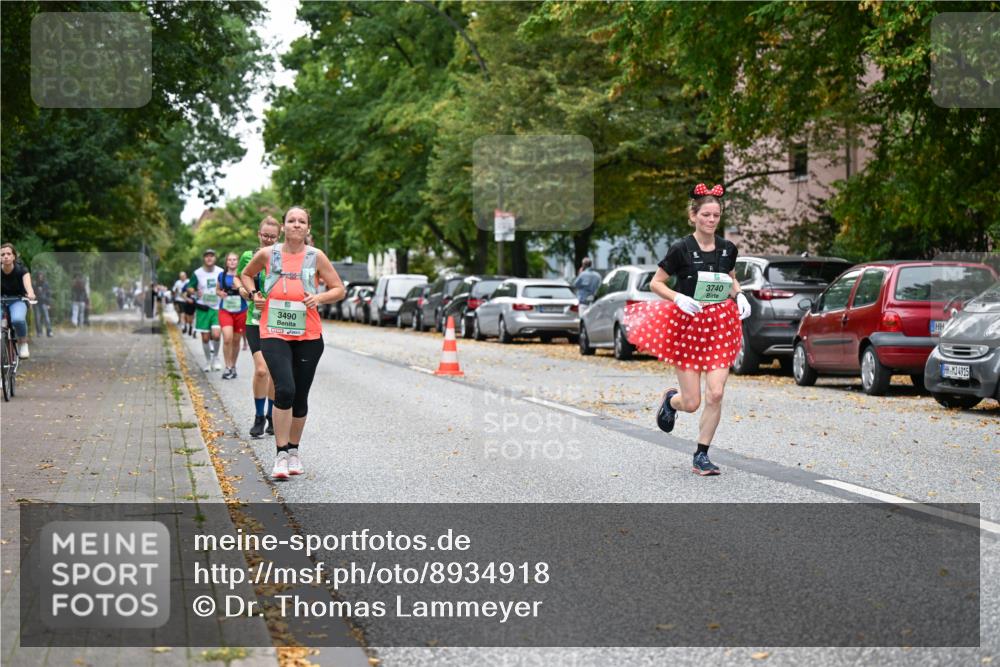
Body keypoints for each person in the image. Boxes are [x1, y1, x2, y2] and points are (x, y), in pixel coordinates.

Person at [623, 183, 751, 476]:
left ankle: (701, 455)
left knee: (716, 393)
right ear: (693, 216)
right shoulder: (681, 249)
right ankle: (671, 400)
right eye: (706, 215)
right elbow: (656, 283)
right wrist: (678, 297)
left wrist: (739, 294)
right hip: (688, 326)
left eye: (716, 215)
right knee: (692, 402)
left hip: (720, 324)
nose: (711, 220)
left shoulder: (728, 248)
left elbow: (730, 278)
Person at [240, 206, 345, 479]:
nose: (296, 225)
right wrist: (254, 294)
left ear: (308, 228)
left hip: (308, 335)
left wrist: (319, 298)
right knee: (284, 388)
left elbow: (339, 289)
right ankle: (281, 455)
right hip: (274, 330)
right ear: (284, 226)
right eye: (291, 220)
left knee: (299, 396)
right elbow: (246, 274)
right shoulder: (268, 254)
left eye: (301, 221)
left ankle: (295, 450)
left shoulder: (316, 256)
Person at [237, 216, 282, 437]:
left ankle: (272, 416)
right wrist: (247, 292)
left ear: (279, 237)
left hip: (277, 320)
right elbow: (241, 280)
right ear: (258, 234)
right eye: (265, 235)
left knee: (274, 372)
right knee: (262, 369)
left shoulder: (284, 257)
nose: (268, 240)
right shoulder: (249, 256)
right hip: (254, 319)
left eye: (272, 237)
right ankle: (258, 416)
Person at [186, 249, 224, 372]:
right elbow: (189, 287)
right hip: (203, 308)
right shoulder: (197, 273)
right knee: (206, 338)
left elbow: (227, 285)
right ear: (204, 259)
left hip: (217, 307)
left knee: (217, 335)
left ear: (215, 258)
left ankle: (216, 358)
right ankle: (208, 361)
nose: (209, 258)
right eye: (207, 256)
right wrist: (194, 291)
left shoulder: (221, 271)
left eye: (211, 256)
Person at [1, 243, 37, 358]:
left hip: (18, 300)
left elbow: (28, 285)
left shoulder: (21, 270)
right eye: (2, 254)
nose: (5, 256)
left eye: (8, 254)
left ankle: (23, 343)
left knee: (17, 320)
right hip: (1, 301)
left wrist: (30, 293)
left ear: (14, 257)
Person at [218, 252, 248, 380]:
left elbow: (248, 291)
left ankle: (233, 366)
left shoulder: (242, 275)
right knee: (227, 338)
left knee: (236, 340)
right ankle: (227, 366)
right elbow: (217, 290)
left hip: (240, 310)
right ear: (226, 262)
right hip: (225, 310)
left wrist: (243, 290)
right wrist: (220, 293)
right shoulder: (222, 275)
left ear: (238, 262)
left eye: (234, 260)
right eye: (229, 260)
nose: (232, 262)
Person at [33, 270, 53, 337]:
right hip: (36, 303)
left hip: (44, 303)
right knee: (37, 319)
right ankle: (39, 332)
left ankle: (49, 331)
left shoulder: (46, 284)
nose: (40, 277)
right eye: (39, 276)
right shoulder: (34, 284)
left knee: (47, 318)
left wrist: (49, 304)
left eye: (41, 276)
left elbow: (49, 294)